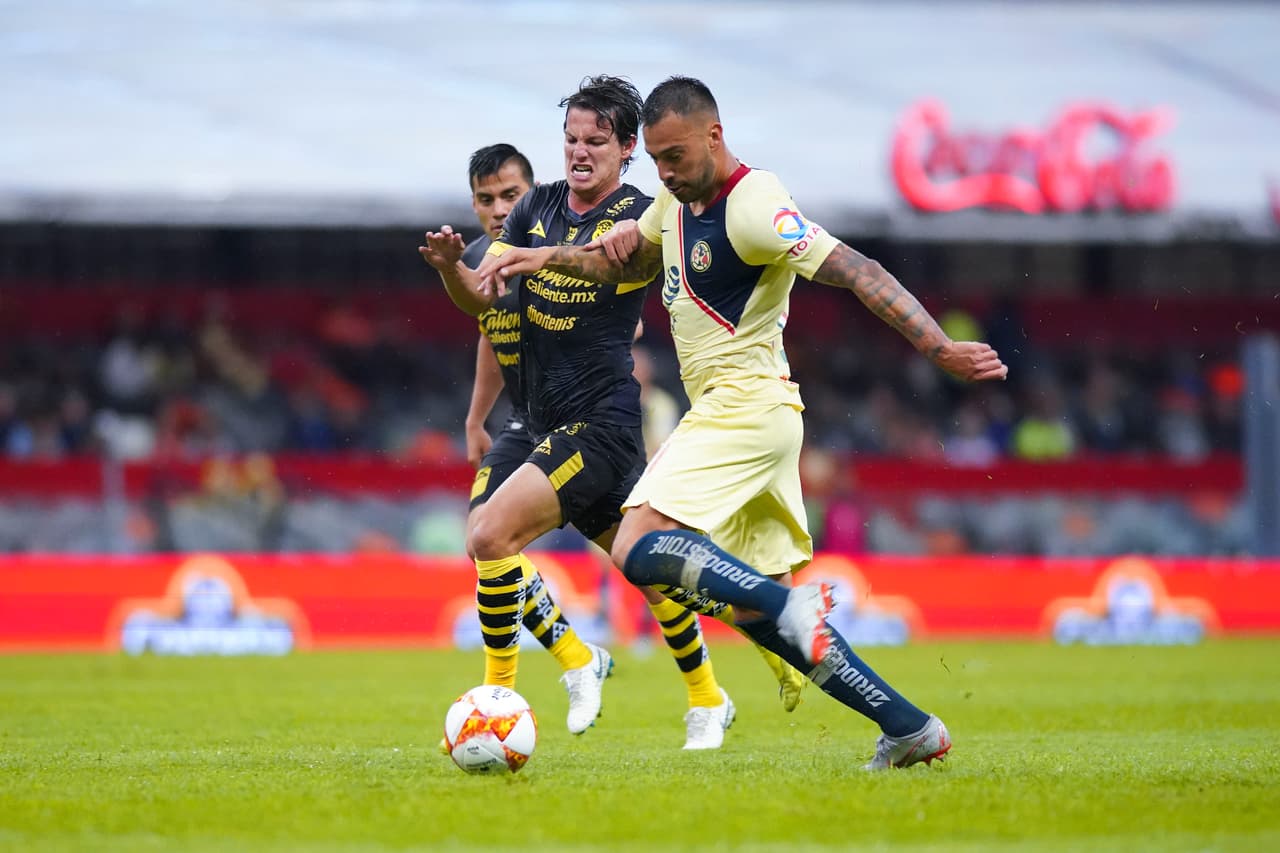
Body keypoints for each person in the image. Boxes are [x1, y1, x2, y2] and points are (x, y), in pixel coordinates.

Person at [483, 76, 1009, 770]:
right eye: (659, 160)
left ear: (715, 136)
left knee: (639, 545)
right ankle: (909, 726)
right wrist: (543, 255)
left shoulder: (756, 202)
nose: (663, 173)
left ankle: (786, 610)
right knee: (768, 618)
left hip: (749, 405)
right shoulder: (673, 197)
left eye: (675, 157)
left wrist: (938, 347)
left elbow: (857, 269)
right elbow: (623, 263)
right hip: (733, 416)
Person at [421, 77, 800, 749]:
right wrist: (454, 270)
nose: (578, 152)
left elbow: (613, 267)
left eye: (596, 140)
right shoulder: (533, 206)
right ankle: (729, 668)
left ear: (629, 148)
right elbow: (485, 301)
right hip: (540, 422)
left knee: (490, 536)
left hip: (599, 424)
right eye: (570, 139)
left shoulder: (642, 212)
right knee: (653, 574)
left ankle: (504, 696)